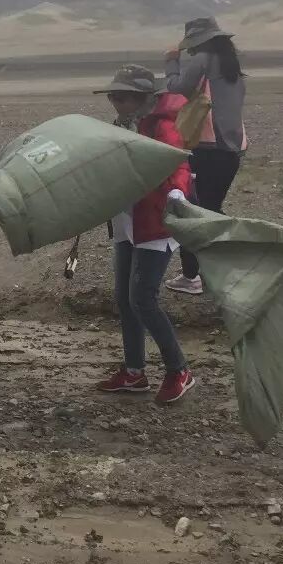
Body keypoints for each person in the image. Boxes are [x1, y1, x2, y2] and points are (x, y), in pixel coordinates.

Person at [92, 65, 196, 405]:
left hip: (154, 223)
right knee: (125, 299)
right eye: (112, 96)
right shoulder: (121, 125)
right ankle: (134, 372)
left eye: (120, 97)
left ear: (141, 98)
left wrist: (177, 190)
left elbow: (178, 162)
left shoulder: (162, 126)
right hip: (127, 222)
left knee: (142, 298)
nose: (114, 102)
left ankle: (179, 370)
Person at [163, 17, 248, 296]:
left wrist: (171, 61)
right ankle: (222, 267)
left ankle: (193, 276)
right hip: (232, 150)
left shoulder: (203, 60)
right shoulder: (231, 65)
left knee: (191, 212)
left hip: (207, 149)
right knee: (210, 208)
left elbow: (175, 86)